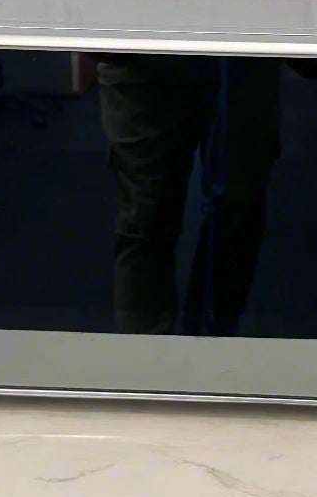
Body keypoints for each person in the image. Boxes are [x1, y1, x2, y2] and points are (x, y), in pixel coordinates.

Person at [95, 54, 280, 336]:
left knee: (238, 213)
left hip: (241, 54)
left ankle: (212, 350)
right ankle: (145, 360)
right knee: (146, 219)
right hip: (143, 50)